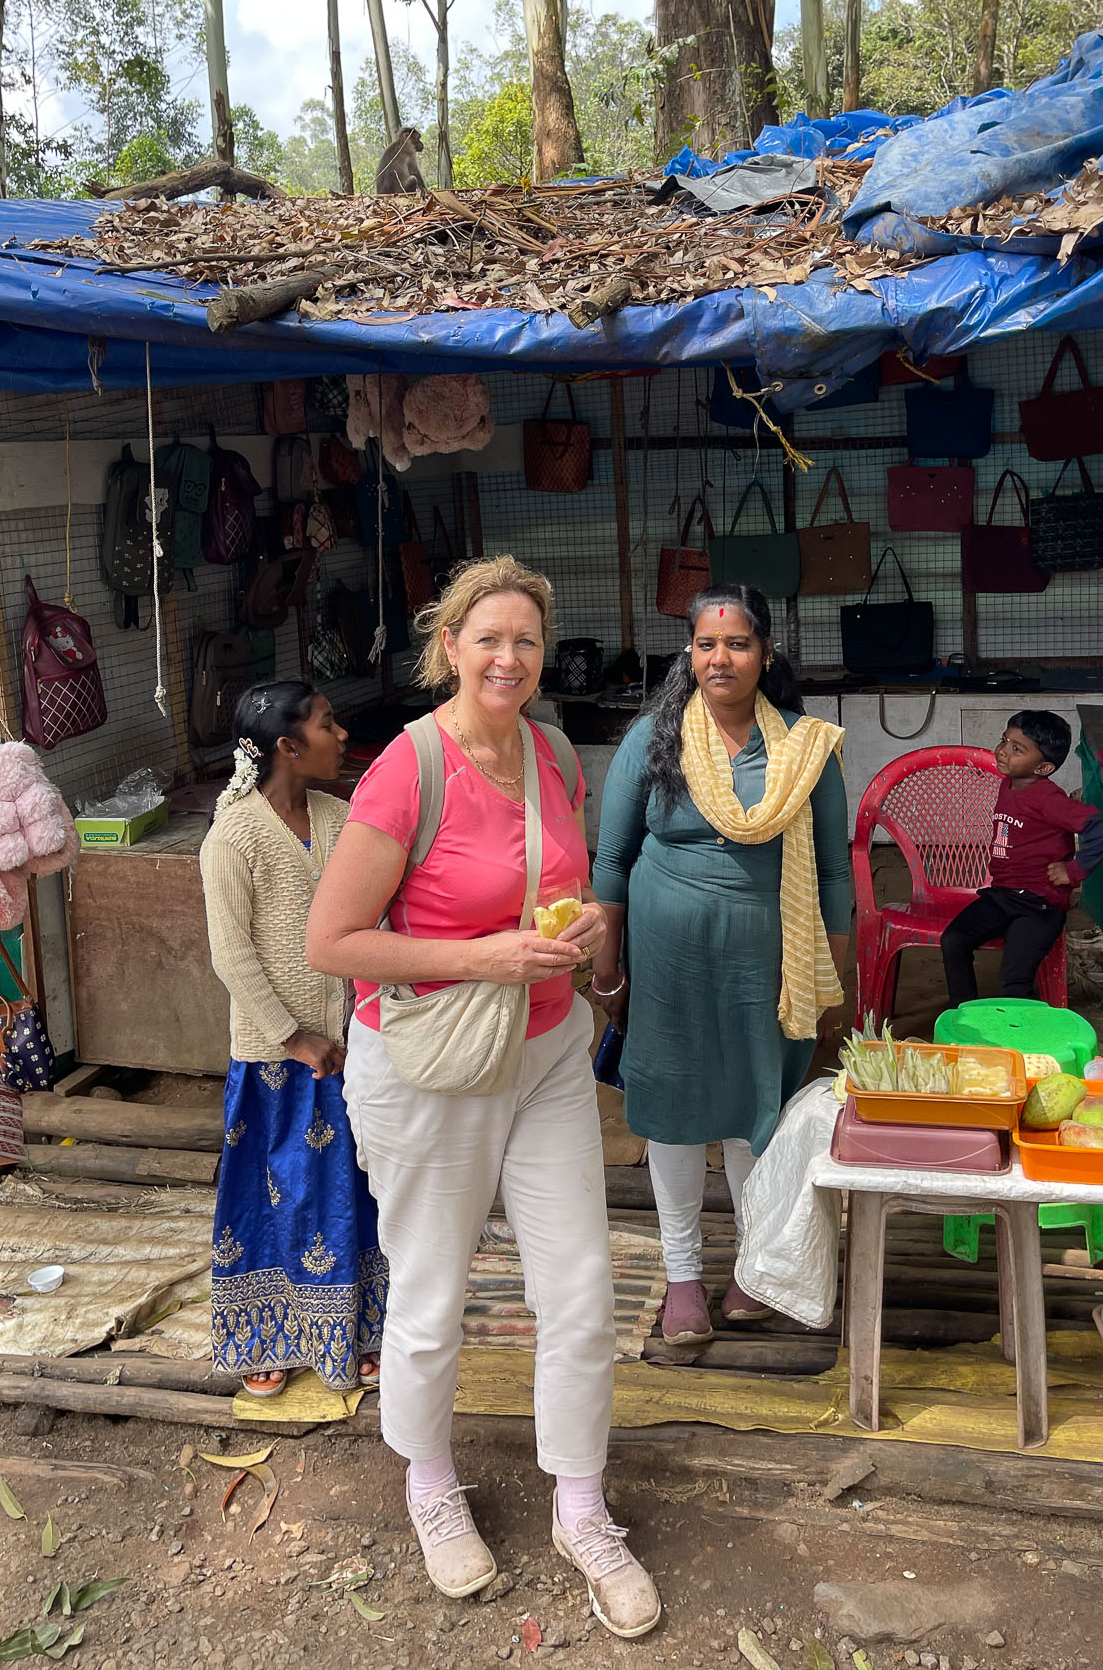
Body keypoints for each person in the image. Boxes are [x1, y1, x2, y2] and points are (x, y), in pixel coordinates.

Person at [306, 555, 661, 1641]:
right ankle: (429, 1485)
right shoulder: (406, 770)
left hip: (545, 1054)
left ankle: (581, 1507)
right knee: (427, 1292)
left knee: (583, 1288)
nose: (508, 657)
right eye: (487, 638)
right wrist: (480, 960)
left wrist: (586, 931)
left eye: (526, 640)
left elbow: (547, 891)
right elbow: (331, 941)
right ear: (449, 647)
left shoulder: (552, 752)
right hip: (426, 1069)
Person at [590, 584, 850, 1348]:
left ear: (765, 653)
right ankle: (680, 1276)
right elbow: (612, 861)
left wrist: (835, 973)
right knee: (671, 1116)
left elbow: (834, 871)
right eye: (705, 644)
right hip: (665, 957)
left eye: (736, 643)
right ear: (689, 654)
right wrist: (606, 969)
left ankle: (754, 1266)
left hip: (766, 958)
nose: (720, 658)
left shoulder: (806, 746)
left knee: (752, 1114)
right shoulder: (654, 739)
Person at [200, 682, 385, 1397]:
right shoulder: (233, 836)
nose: (340, 736)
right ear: (285, 746)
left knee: (354, 1188)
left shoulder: (343, 819)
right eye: (326, 725)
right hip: (277, 1057)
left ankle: (357, 1326)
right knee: (276, 1192)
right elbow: (231, 956)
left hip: (353, 1039)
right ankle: (270, 1328)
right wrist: (292, 1037)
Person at [941, 709, 1103, 1006]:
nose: (1003, 752)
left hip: (1040, 905)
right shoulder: (1007, 783)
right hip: (1004, 895)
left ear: (1044, 768)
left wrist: (1073, 871)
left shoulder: (1048, 800)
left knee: (1014, 980)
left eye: (1017, 749)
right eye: (1004, 741)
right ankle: (964, 1014)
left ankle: (1015, 1041)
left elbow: (1102, 826)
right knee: (953, 940)